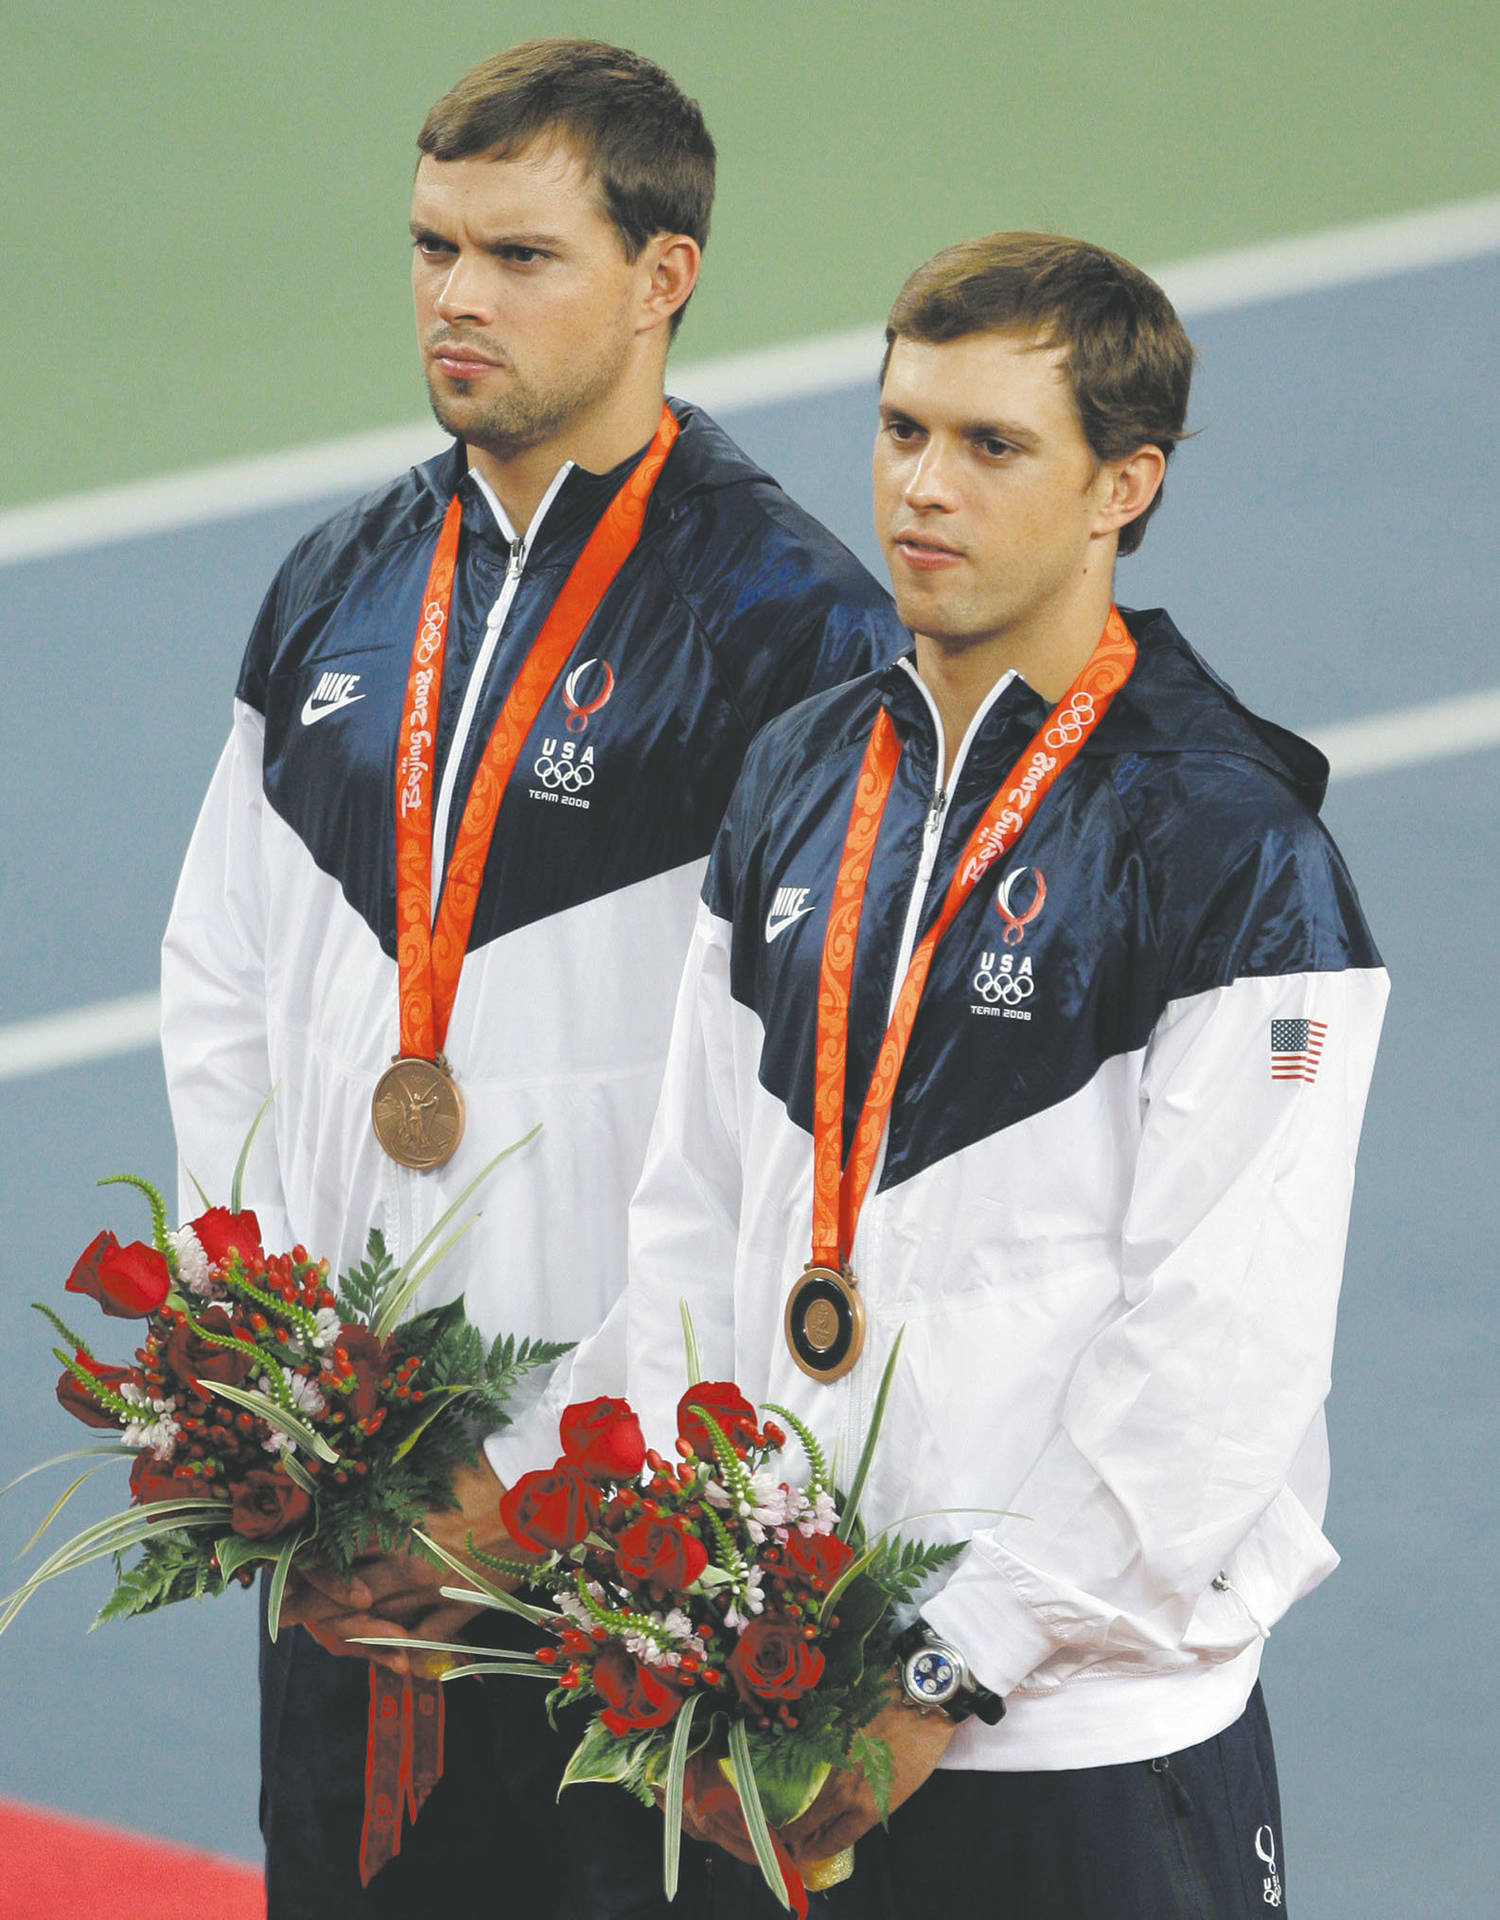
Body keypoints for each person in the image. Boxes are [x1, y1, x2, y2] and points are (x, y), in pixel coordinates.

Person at [159, 38, 905, 1920]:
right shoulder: (335, 583)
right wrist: (282, 1405)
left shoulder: (796, 633)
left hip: (628, 1561)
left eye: (519, 254)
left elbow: (823, 1118)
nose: (456, 297)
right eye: (431, 247)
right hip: (352, 1539)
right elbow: (220, 986)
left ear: (666, 276)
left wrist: (569, 1482)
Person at [585, 232, 1388, 1915]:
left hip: (1081, 1750)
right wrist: (692, 1581)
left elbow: (1219, 1350)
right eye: (899, 431)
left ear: (1125, 485)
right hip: (793, 1715)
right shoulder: (801, 772)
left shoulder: (1230, 842)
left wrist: (949, 1668)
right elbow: (690, 1212)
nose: (920, 490)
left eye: (992, 446)